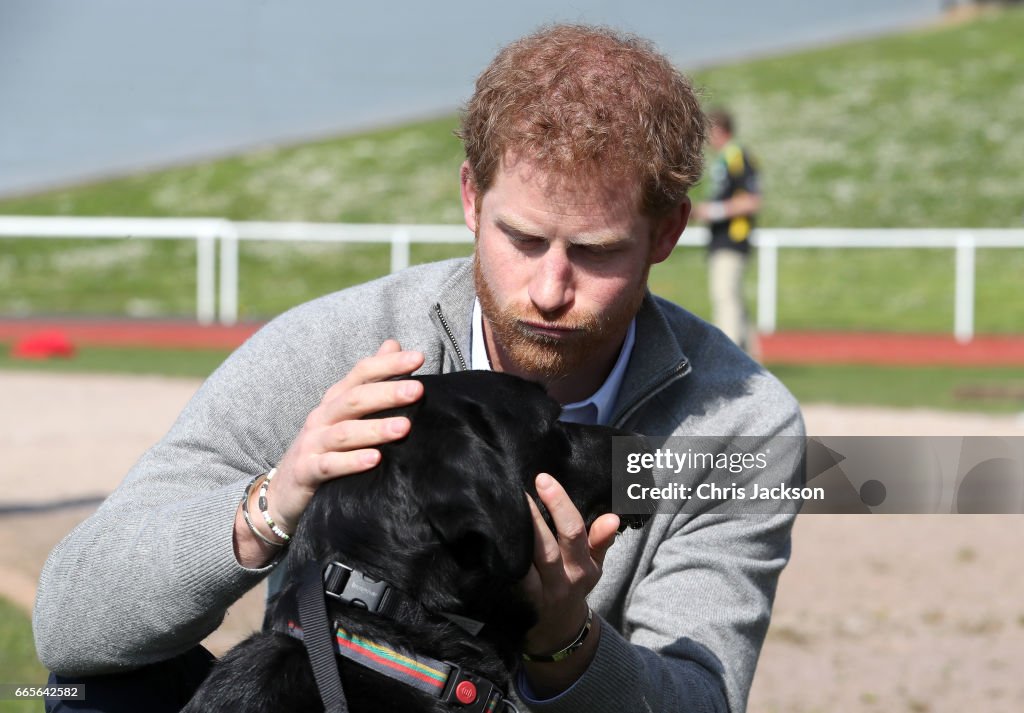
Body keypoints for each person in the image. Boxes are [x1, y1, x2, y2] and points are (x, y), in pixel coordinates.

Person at [34, 24, 803, 713]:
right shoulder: (338, 349)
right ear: (471, 198)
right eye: (524, 238)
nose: (549, 288)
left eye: (595, 251)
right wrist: (269, 505)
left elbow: (701, 699)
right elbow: (68, 625)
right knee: (95, 693)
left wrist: (566, 641)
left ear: (668, 232)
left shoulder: (735, 424)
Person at [694, 109, 762, 352]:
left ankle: (728, 355)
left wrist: (711, 211)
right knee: (734, 299)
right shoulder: (724, 159)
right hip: (721, 239)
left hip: (733, 239)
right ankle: (751, 359)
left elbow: (752, 201)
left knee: (724, 296)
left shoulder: (738, 156)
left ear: (721, 130)